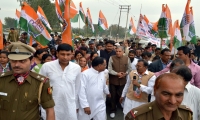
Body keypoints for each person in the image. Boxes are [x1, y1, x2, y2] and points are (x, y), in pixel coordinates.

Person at [0, 42, 55, 120]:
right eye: (13, 61)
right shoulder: (2, 80)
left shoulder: (41, 83)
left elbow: (49, 110)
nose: (17, 65)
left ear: (32, 61)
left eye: (22, 61)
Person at [39, 43, 81, 120]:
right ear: (57, 54)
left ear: (72, 54)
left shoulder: (76, 68)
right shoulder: (47, 66)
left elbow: (77, 88)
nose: (65, 57)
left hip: (69, 104)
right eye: (62, 54)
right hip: (50, 104)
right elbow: (40, 86)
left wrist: (76, 105)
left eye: (68, 54)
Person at [125, 73, 193, 120]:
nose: (173, 101)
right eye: (166, 94)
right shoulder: (138, 117)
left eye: (178, 95)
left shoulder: (186, 114)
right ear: (155, 91)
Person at [108, 46, 132, 118]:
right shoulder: (111, 58)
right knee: (113, 96)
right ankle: (113, 110)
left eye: (119, 51)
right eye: (117, 51)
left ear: (123, 52)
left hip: (123, 80)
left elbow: (129, 69)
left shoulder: (127, 59)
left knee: (121, 95)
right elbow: (109, 69)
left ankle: (120, 105)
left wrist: (125, 73)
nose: (118, 53)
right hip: (113, 80)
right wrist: (116, 73)